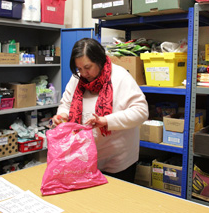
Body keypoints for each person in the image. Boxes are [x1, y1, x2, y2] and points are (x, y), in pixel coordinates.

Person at [52, 38, 149, 183]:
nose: (84, 73)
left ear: (99, 60)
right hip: (84, 158)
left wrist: (106, 121)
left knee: (114, 202)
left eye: (88, 67)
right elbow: (66, 103)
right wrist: (63, 115)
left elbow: (141, 112)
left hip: (117, 160)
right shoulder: (77, 79)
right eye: (79, 69)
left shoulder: (120, 77)